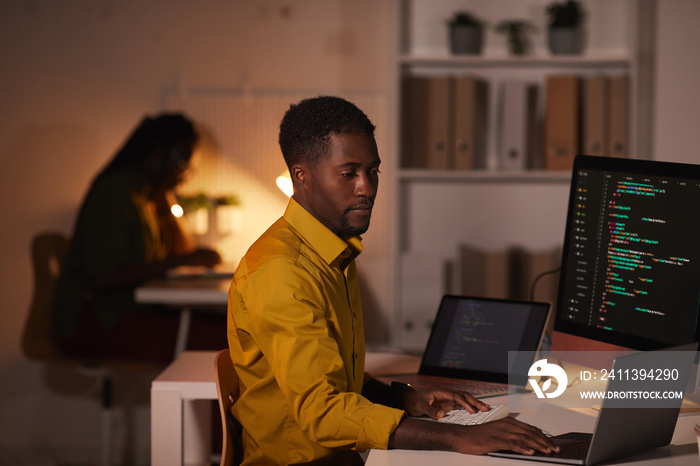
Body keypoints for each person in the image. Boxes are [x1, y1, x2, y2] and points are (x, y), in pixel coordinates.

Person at [227, 96, 559, 465]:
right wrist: (459, 436)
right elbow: (322, 412)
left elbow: (332, 376)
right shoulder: (281, 271)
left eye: (373, 171)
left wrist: (406, 398)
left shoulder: (332, 252)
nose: (366, 188)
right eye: (348, 173)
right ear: (301, 174)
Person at [52, 112, 226, 363]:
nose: (184, 174)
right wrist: (179, 262)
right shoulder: (115, 193)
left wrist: (167, 195)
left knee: (229, 332)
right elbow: (102, 278)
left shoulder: (146, 194)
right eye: (180, 164)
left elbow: (182, 250)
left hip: (128, 313)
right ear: (156, 155)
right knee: (224, 341)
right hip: (95, 321)